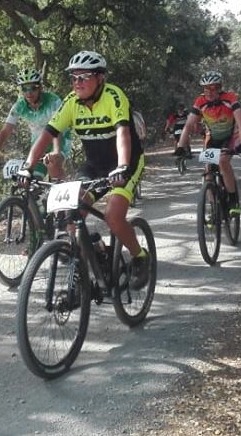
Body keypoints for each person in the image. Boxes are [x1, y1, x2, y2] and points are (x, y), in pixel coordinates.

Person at [18, 51, 150, 290]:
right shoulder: (71, 102)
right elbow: (46, 135)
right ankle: (94, 253)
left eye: (84, 77)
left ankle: (140, 256)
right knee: (71, 215)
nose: (77, 83)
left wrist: (121, 167)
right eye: (73, 78)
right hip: (94, 165)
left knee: (113, 216)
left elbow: (122, 133)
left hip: (125, 162)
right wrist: (28, 167)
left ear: (100, 78)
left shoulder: (114, 96)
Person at [174, 71, 241, 214]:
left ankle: (233, 200)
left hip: (229, 137)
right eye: (205, 88)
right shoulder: (200, 101)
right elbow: (189, 125)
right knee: (208, 173)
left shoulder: (230, 98)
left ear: (220, 88)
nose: (209, 92)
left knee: (223, 161)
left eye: (213, 88)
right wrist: (181, 146)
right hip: (212, 139)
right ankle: (214, 209)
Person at [0, 68, 69, 180]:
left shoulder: (53, 101)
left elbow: (57, 129)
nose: (29, 92)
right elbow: (5, 132)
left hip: (59, 140)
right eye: (25, 89)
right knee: (31, 180)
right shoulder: (19, 106)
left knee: (54, 172)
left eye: (33, 88)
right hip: (38, 144)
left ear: (40, 88)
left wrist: (56, 151)